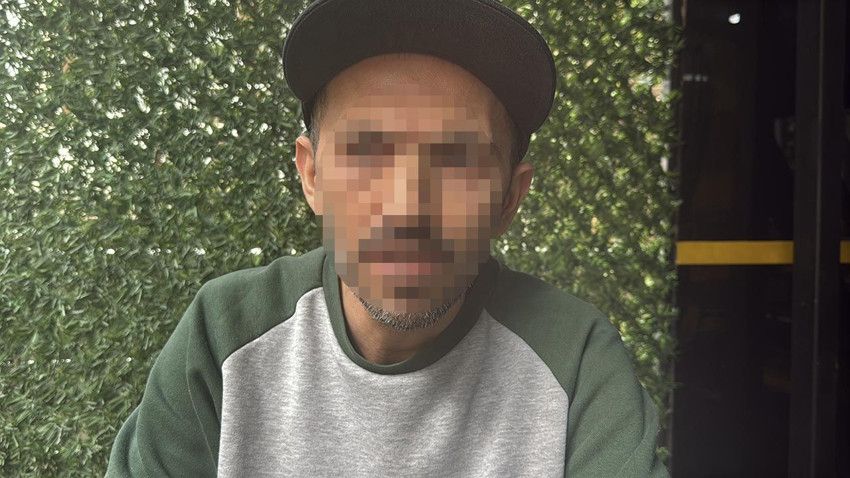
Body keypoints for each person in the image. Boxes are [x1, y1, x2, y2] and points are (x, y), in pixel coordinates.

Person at [105, 0, 669, 476]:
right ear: (312, 176)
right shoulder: (225, 337)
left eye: (458, 160)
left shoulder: (575, 362)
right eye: (366, 152)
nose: (407, 208)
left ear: (508, 200)